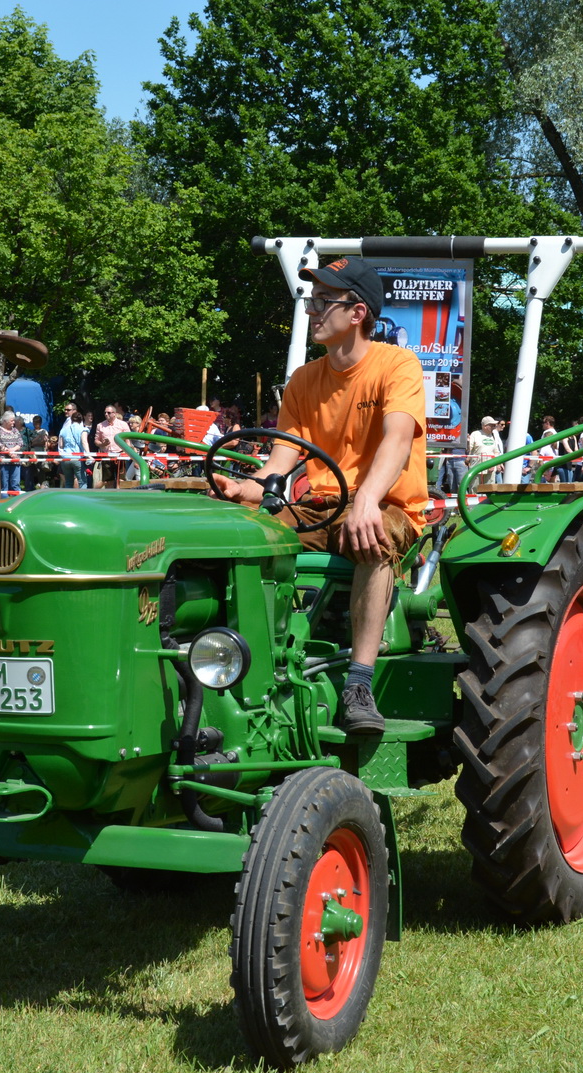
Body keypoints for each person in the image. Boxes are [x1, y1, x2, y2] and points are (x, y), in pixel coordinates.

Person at [211, 255, 426, 736]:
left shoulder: (397, 365)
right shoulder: (304, 381)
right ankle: (244, 665)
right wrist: (243, 488)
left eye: (326, 301)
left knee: (372, 536)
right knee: (245, 537)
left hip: (386, 505)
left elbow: (396, 438)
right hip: (319, 508)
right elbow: (279, 463)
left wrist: (368, 497)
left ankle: (359, 684)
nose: (313, 310)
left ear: (358, 313)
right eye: (313, 299)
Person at [94, 404, 129, 488]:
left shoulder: (123, 424)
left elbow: (128, 440)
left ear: (115, 413)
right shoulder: (100, 425)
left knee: (121, 480)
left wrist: (126, 452)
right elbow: (96, 441)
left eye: (109, 412)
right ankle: (109, 498)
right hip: (107, 455)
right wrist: (102, 444)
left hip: (120, 455)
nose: (106, 414)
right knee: (107, 481)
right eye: (105, 412)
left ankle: (121, 498)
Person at [57, 402, 87, 489]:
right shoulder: (72, 423)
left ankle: (69, 500)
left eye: (68, 410)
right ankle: (81, 500)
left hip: (67, 456)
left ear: (75, 411)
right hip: (75, 456)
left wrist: (61, 453)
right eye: (65, 409)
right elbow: (83, 441)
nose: (66, 411)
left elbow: (61, 443)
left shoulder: (72, 424)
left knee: (70, 482)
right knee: (81, 482)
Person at [0, 413, 24, 494]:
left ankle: (18, 502)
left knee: (15, 484)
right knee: (4, 484)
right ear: (5, 421)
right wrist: (8, 452)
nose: (14, 422)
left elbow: (20, 443)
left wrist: (13, 450)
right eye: (12, 420)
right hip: (4, 461)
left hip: (16, 460)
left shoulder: (15, 430)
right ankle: (4, 502)